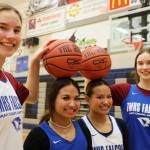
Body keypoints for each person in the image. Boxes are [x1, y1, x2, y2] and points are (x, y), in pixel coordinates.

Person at [0, 3, 48, 150]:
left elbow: (31, 96)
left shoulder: (8, 79)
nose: (11, 35)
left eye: (17, 30)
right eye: (2, 27)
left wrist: (34, 62)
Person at [24, 78, 92, 150]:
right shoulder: (37, 136)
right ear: (52, 101)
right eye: (66, 98)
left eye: (76, 98)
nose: (72, 104)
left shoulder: (84, 130)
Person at [110, 48, 150, 150]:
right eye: (140, 63)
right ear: (136, 67)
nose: (144, 67)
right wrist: (88, 73)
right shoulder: (125, 90)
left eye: (149, 63)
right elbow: (92, 94)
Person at [82, 79, 128, 150]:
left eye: (109, 97)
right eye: (100, 97)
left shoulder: (120, 125)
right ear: (87, 99)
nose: (106, 102)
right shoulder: (79, 127)